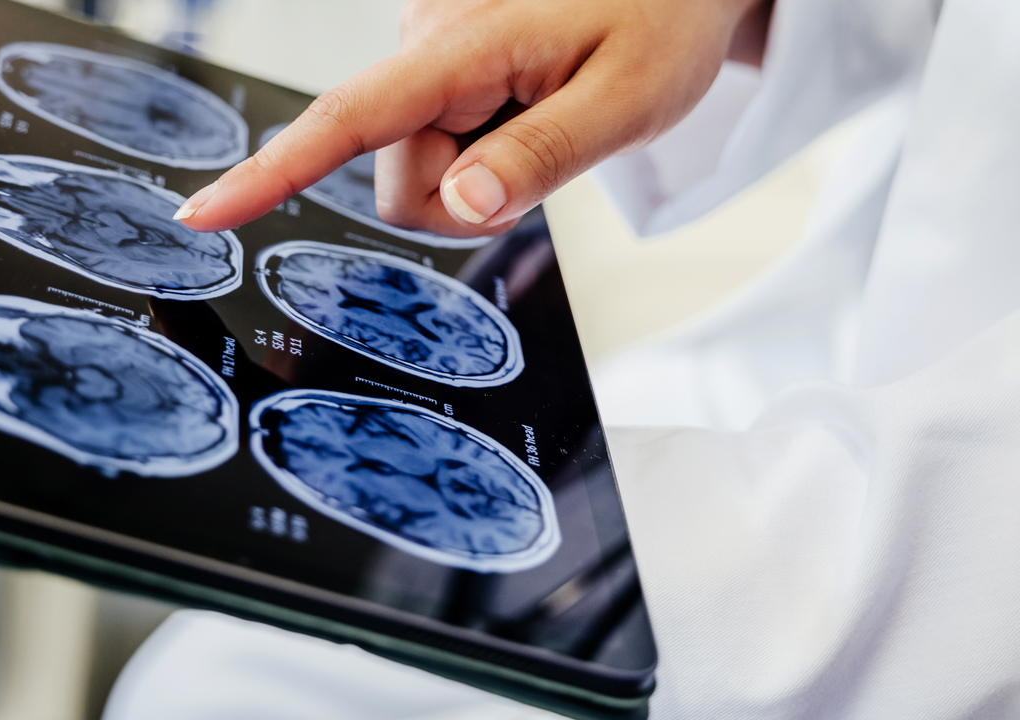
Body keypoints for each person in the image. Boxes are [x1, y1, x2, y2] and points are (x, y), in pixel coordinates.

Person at [113, 0, 1020, 717]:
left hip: (942, 559)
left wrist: (446, 483)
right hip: (858, 332)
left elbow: (944, 583)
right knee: (216, 673)